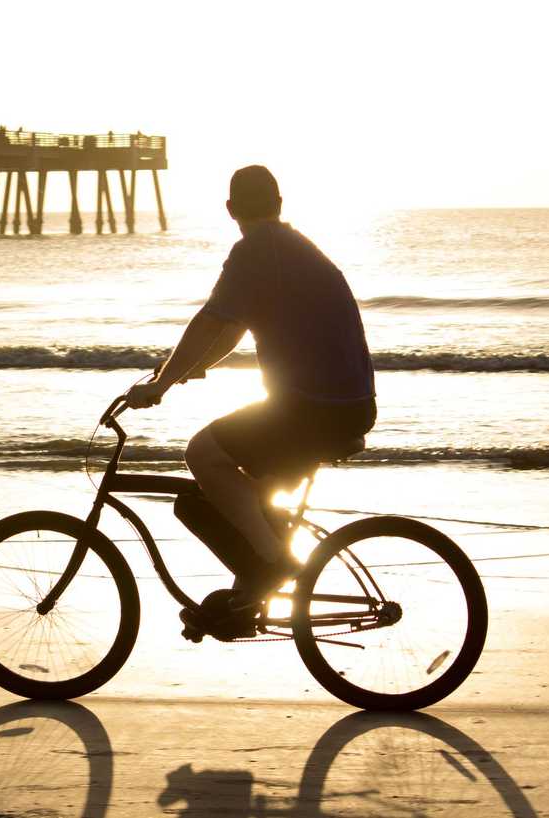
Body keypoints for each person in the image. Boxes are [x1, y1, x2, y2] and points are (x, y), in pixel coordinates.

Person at [126, 164, 376, 619]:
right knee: (242, 503)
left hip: (311, 409)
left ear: (230, 210)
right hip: (347, 406)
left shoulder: (254, 251)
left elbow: (211, 320)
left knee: (202, 454)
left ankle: (273, 565)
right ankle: (250, 592)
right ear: (279, 205)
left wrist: (160, 385)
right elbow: (231, 332)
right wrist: (180, 372)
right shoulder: (294, 247)